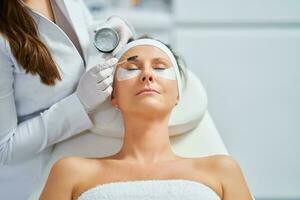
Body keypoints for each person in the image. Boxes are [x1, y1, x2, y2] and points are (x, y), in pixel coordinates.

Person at [40, 38, 253, 200]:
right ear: (113, 97)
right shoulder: (71, 173)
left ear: (177, 95)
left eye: (160, 67)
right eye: (131, 68)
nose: (147, 75)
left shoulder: (222, 171)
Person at [0, 0, 135, 199]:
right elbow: (5, 148)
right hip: (33, 183)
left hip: (84, 164)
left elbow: (78, 42)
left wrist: (111, 27)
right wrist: (78, 104)